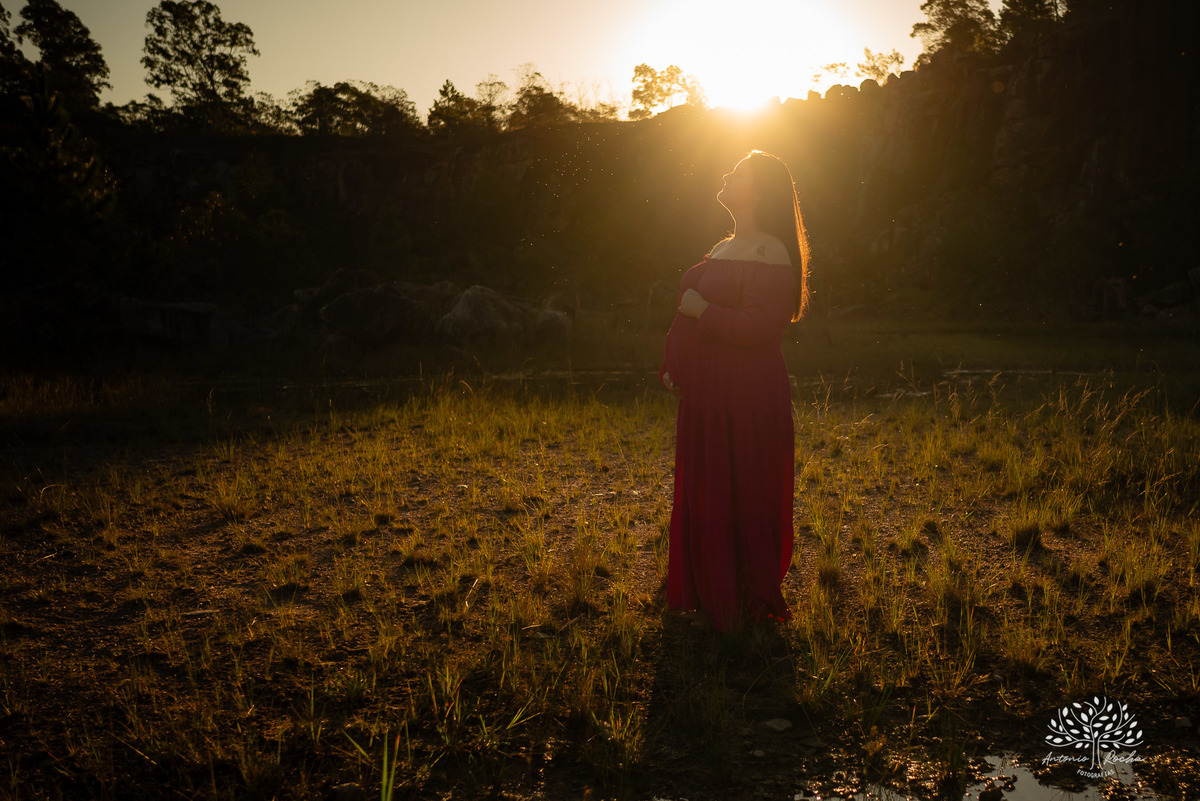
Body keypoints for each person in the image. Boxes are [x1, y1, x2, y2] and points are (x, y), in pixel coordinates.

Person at [659, 150, 811, 632]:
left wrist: (703, 311)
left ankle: (739, 601)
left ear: (759, 193)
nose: (726, 174)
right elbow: (685, 314)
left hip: (746, 395)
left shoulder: (773, 253)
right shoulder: (723, 247)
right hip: (706, 396)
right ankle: (707, 593)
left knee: (740, 491)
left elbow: (756, 328)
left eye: (738, 173)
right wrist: (674, 365)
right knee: (708, 491)